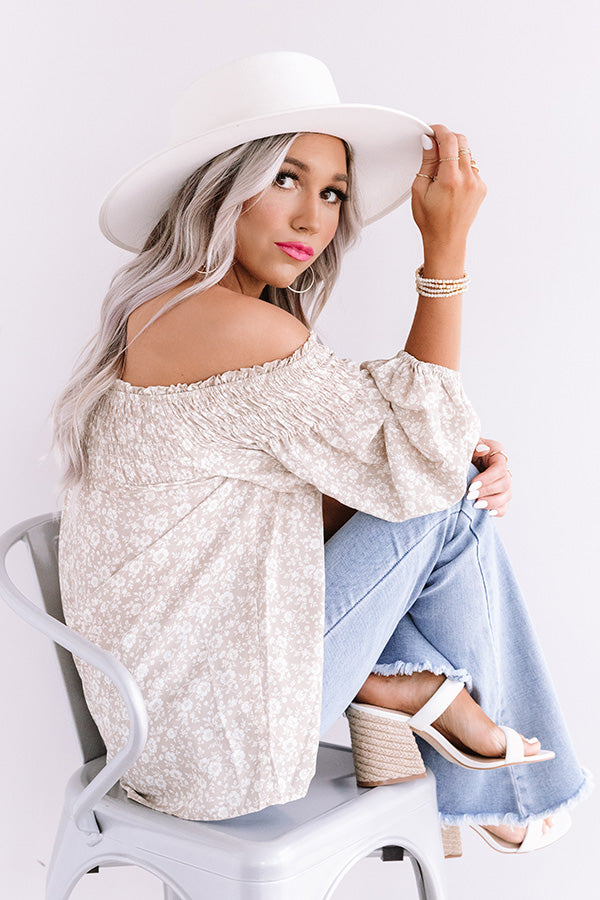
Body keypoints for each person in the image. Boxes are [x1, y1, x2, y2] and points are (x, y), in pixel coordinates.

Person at [51, 51, 591, 856]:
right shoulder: (226, 324)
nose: (313, 218)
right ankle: (486, 770)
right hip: (213, 739)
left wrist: (454, 467)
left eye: (333, 193)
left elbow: (361, 495)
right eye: (285, 179)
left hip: (169, 726)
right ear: (219, 188)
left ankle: (409, 693)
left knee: (445, 486)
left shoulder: (174, 315)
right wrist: (445, 254)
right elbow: (419, 470)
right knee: (443, 489)